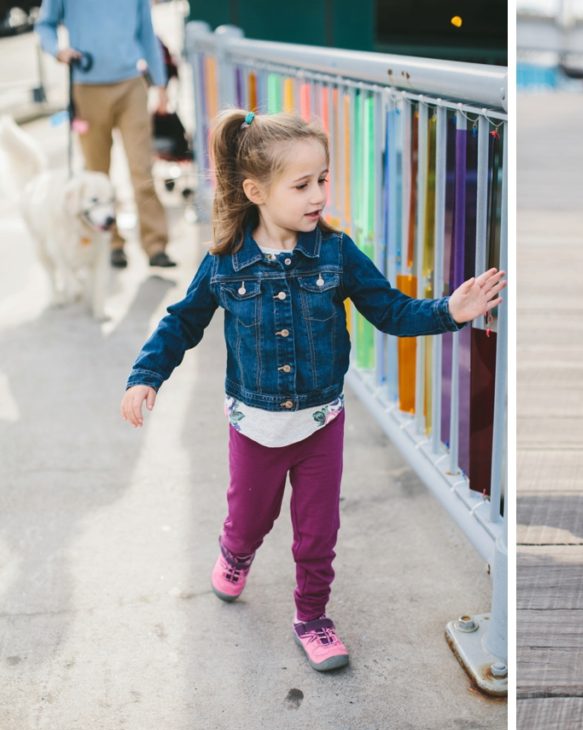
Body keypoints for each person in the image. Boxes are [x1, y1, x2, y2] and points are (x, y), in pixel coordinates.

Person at [119, 110, 506, 671]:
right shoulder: (225, 263)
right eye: (302, 185)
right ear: (256, 191)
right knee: (250, 519)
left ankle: (312, 616)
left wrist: (450, 310)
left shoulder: (337, 252)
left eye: (323, 178)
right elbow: (181, 323)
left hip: (321, 423)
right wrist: (144, 376)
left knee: (317, 534)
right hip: (255, 427)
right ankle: (235, 553)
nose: (319, 193)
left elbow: (390, 309)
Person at [36, 0, 177, 268]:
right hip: (86, 87)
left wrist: (160, 84)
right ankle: (111, 243)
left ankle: (156, 246)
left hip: (131, 85)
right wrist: (57, 50)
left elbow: (147, 34)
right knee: (97, 173)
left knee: (142, 168)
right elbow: (45, 24)